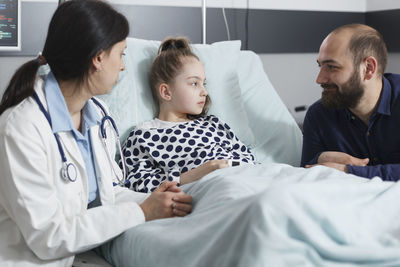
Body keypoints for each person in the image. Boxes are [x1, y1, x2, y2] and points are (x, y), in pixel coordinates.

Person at [0, 1, 193, 266]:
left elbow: (107, 195)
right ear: (98, 58)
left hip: (81, 255)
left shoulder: (96, 114)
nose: (124, 66)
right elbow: (48, 238)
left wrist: (156, 200)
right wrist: (141, 211)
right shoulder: (21, 129)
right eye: (121, 54)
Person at [121, 37, 256, 193]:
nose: (204, 91)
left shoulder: (214, 124)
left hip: (248, 179)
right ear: (166, 92)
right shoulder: (144, 136)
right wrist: (190, 176)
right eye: (194, 83)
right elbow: (136, 183)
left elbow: (248, 158)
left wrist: (226, 166)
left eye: (203, 83)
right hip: (214, 190)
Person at [301, 23, 400, 181]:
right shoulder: (318, 116)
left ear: (368, 68)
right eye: (320, 66)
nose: (319, 79)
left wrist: (348, 171)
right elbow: (305, 174)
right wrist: (319, 159)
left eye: (332, 67)